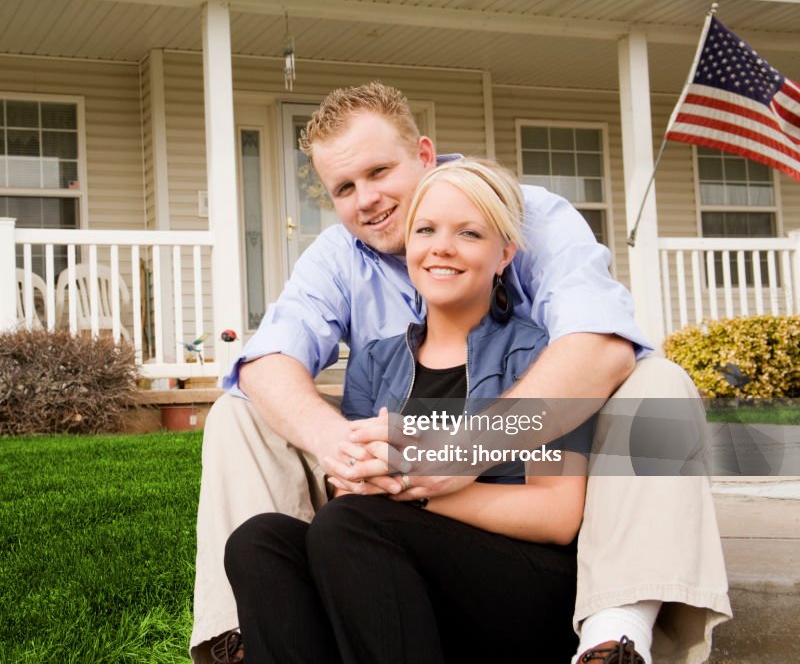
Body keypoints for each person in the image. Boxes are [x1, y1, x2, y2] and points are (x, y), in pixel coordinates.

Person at [192, 83, 730, 664]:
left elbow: (599, 347)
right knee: (240, 417)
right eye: (344, 188)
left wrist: (450, 458)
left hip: (527, 485)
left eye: (379, 171)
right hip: (386, 521)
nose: (367, 199)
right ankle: (247, 632)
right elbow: (268, 359)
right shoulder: (347, 276)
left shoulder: (529, 218)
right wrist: (346, 453)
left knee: (659, 388)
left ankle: (612, 633)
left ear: (424, 155)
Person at [225, 157, 594, 662]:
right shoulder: (376, 360)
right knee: (259, 540)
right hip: (396, 564)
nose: (442, 246)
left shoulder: (540, 358)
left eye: (468, 233)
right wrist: (365, 484)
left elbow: (557, 515)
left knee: (349, 522)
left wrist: (416, 493)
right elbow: (348, 492)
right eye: (426, 230)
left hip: (525, 584)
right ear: (409, 246)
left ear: (504, 253)